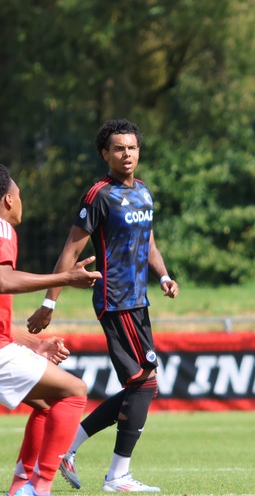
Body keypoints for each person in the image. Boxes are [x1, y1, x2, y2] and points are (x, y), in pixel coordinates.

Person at [27, 119, 179, 493]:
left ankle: (69, 449)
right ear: (105, 154)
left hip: (138, 301)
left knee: (142, 386)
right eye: (118, 149)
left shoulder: (143, 193)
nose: (126, 154)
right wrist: (50, 302)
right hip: (115, 300)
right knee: (144, 384)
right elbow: (71, 250)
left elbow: (150, 244)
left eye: (131, 148)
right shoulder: (99, 195)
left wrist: (162, 276)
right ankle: (116, 476)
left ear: (139, 152)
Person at [0, 163, 100, 496]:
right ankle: (39, 488)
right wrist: (66, 278)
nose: (20, 201)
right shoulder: (2, 227)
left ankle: (20, 487)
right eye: (19, 194)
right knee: (74, 392)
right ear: (9, 200)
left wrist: (29, 342)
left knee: (46, 403)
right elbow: (4, 280)